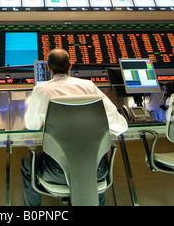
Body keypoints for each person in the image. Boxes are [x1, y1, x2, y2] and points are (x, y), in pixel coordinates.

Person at [21, 48, 128, 206]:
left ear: (48, 67)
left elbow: (31, 125)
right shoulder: (89, 87)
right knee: (97, 157)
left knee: (26, 162)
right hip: (95, 171)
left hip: (55, 172)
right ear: (70, 66)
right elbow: (121, 126)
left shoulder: (41, 90)